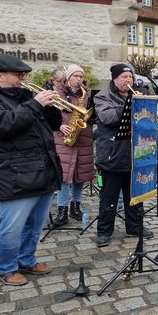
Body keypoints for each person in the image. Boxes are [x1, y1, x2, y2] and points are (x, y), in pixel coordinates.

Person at [0, 54, 62, 286]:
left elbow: (51, 126)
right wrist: (35, 104)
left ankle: (26, 259)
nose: (23, 78)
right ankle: (6, 268)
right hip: (12, 174)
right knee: (12, 228)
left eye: (24, 74)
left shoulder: (25, 97)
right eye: (18, 74)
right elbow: (1, 126)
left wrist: (50, 108)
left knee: (34, 225)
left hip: (41, 170)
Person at [94, 64, 153, 247]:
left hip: (133, 153)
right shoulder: (102, 96)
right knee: (109, 197)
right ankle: (104, 231)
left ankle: (134, 226)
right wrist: (130, 104)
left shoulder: (137, 93)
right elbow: (107, 117)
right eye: (124, 77)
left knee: (134, 194)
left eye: (130, 77)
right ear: (115, 79)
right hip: (111, 154)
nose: (128, 80)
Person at [51, 64, 94, 226]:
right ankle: (62, 210)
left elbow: (93, 116)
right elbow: (48, 116)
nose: (79, 79)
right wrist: (59, 126)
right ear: (68, 78)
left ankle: (75, 206)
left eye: (81, 76)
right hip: (64, 138)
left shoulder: (87, 95)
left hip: (82, 138)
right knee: (63, 176)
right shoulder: (57, 94)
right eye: (75, 76)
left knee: (80, 175)